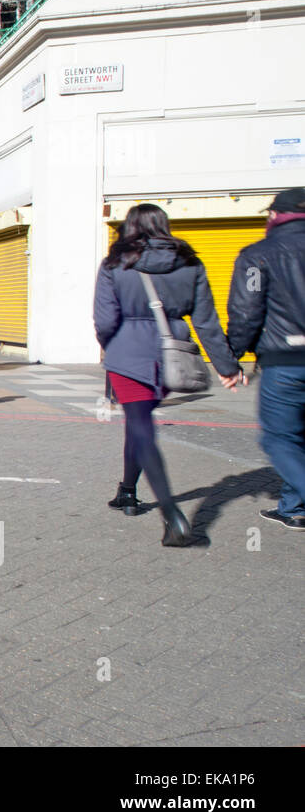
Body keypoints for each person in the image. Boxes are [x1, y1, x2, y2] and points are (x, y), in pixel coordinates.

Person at [93, 203, 242, 547]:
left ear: (130, 227)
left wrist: (112, 347)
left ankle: (172, 515)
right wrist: (227, 366)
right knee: (139, 421)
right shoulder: (190, 263)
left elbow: (104, 321)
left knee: (141, 426)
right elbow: (206, 321)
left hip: (128, 355)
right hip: (171, 355)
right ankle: (127, 492)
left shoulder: (116, 264)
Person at [227, 187, 305, 532]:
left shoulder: (258, 255)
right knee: (297, 437)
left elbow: (246, 312)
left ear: (276, 216)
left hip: (285, 361)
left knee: (278, 438)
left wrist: (232, 358)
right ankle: (293, 507)